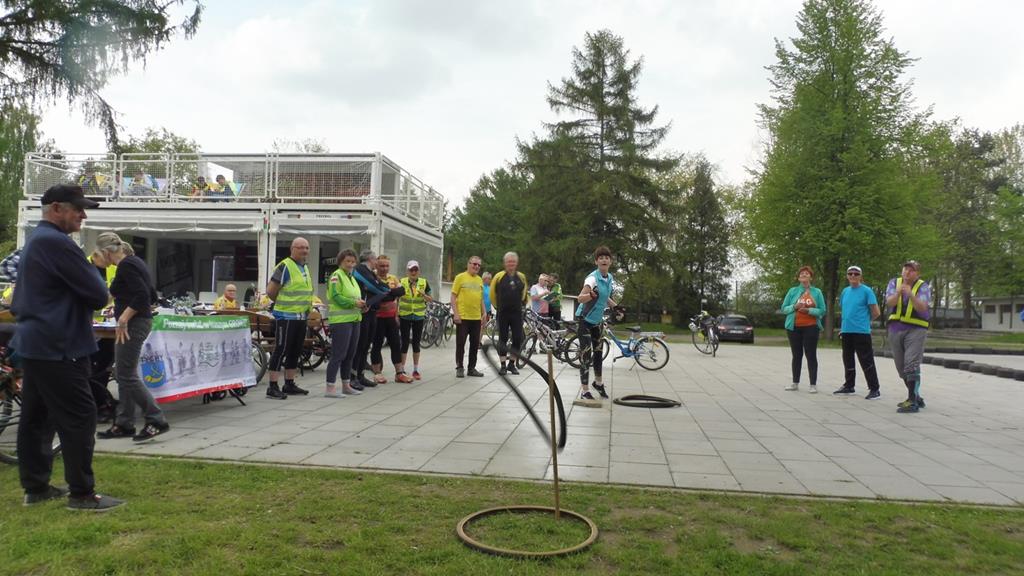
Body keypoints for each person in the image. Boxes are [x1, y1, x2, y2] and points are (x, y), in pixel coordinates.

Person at [12, 184, 124, 511]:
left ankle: (36, 487)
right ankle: (82, 494)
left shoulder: (37, 239)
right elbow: (98, 295)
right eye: (78, 209)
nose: (83, 215)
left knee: (37, 415)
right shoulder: (58, 243)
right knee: (80, 415)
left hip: (36, 341)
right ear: (56, 208)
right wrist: (94, 277)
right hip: (60, 343)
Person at [93, 233, 169, 442]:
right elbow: (149, 294)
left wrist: (124, 318)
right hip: (138, 322)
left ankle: (156, 419)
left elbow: (143, 296)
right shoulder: (133, 263)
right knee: (123, 372)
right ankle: (124, 423)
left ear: (106, 252)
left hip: (133, 325)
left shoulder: (127, 265)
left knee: (125, 373)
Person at [264, 237, 314, 399]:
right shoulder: (285, 266)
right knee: (281, 349)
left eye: (306, 248)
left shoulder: (304, 267)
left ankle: (289, 383)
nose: (304, 251)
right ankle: (272, 386)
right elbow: (271, 291)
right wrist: (282, 304)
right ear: (292, 249)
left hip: (300, 316)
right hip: (285, 316)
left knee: (295, 350)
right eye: (301, 247)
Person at [351, 250, 404, 389]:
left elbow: (387, 290)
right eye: (377, 261)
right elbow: (378, 288)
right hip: (366, 312)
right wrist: (392, 292)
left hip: (373, 312)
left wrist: (388, 292)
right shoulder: (361, 270)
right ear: (371, 259)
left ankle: (360, 375)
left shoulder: (370, 272)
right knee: (362, 345)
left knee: (366, 345)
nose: (378, 264)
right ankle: (353, 377)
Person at [885, 260, 931, 413]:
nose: (907, 272)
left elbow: (922, 307)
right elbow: (889, 302)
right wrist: (898, 293)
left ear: (917, 273)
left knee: (911, 363)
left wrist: (911, 294)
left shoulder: (923, 286)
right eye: (905, 269)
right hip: (895, 328)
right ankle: (916, 396)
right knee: (901, 367)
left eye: (911, 270)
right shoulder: (894, 283)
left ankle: (912, 401)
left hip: (916, 329)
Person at [834, 266, 882, 399]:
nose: (853, 276)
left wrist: (864, 322)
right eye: (850, 273)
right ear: (847, 276)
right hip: (846, 331)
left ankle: (874, 389)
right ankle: (849, 385)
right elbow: (845, 310)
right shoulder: (845, 291)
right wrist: (843, 328)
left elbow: (876, 312)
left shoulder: (867, 291)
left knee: (866, 360)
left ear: (860, 276)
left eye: (856, 274)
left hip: (861, 332)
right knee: (847, 359)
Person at [575, 246, 616, 400]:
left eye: (607, 258)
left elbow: (605, 297)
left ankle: (598, 383)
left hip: (597, 321)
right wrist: (591, 295)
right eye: (601, 258)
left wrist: (616, 307)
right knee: (586, 354)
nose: (604, 260)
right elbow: (580, 298)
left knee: (598, 353)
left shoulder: (609, 278)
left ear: (610, 262)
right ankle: (584, 390)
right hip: (584, 320)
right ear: (596, 261)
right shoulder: (592, 279)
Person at [324, 249, 365, 397]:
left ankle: (346, 385)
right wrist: (354, 303)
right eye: (347, 261)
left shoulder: (351, 277)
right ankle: (330, 388)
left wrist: (361, 305)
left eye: (353, 261)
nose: (350, 264)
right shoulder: (337, 276)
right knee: (338, 354)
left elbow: (354, 297)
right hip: (341, 321)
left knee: (350, 354)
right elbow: (336, 297)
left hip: (354, 319)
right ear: (340, 261)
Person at [781, 266, 826, 393]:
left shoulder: (817, 292)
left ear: (811, 277)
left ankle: (813, 385)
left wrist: (809, 310)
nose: (804, 275)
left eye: (806, 273)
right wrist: (794, 307)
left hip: (811, 327)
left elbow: (822, 310)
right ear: (798, 278)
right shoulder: (793, 291)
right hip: (793, 327)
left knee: (811, 354)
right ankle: (795, 383)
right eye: (801, 274)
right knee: (796, 355)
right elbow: (784, 308)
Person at [370, 255, 412, 383]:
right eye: (382, 266)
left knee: (396, 344)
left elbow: (402, 291)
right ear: (376, 265)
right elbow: (378, 297)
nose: (384, 268)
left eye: (387, 266)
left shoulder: (393, 278)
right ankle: (377, 373)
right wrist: (391, 293)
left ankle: (399, 373)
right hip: (377, 318)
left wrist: (386, 294)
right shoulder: (372, 277)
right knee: (377, 345)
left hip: (391, 317)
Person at [490, 252, 527, 376]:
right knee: (503, 338)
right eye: (509, 261)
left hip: (517, 313)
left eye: (513, 261)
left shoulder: (521, 277)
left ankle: (512, 363)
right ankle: (503, 365)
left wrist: (522, 304)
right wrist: (497, 307)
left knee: (518, 338)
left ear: (517, 263)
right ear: (505, 263)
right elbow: (492, 294)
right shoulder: (499, 276)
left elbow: (524, 293)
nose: (511, 264)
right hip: (503, 312)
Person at [451, 255, 488, 378]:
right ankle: (459, 367)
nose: (476, 266)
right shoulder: (460, 277)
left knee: (474, 344)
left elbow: (480, 298)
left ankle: (471, 368)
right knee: (460, 343)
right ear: (468, 264)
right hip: (463, 317)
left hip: (476, 318)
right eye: (474, 264)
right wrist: (456, 313)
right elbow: (453, 297)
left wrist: (484, 313)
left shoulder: (479, 280)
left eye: (478, 265)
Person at [398, 260, 432, 380]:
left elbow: (430, 299)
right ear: (407, 271)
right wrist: (396, 314)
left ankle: (416, 370)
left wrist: (424, 295)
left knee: (416, 343)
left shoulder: (424, 282)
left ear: (419, 271)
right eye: (411, 270)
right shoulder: (401, 282)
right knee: (404, 342)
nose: (413, 272)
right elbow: (395, 298)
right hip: (405, 315)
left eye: (415, 270)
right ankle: (401, 369)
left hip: (418, 316)